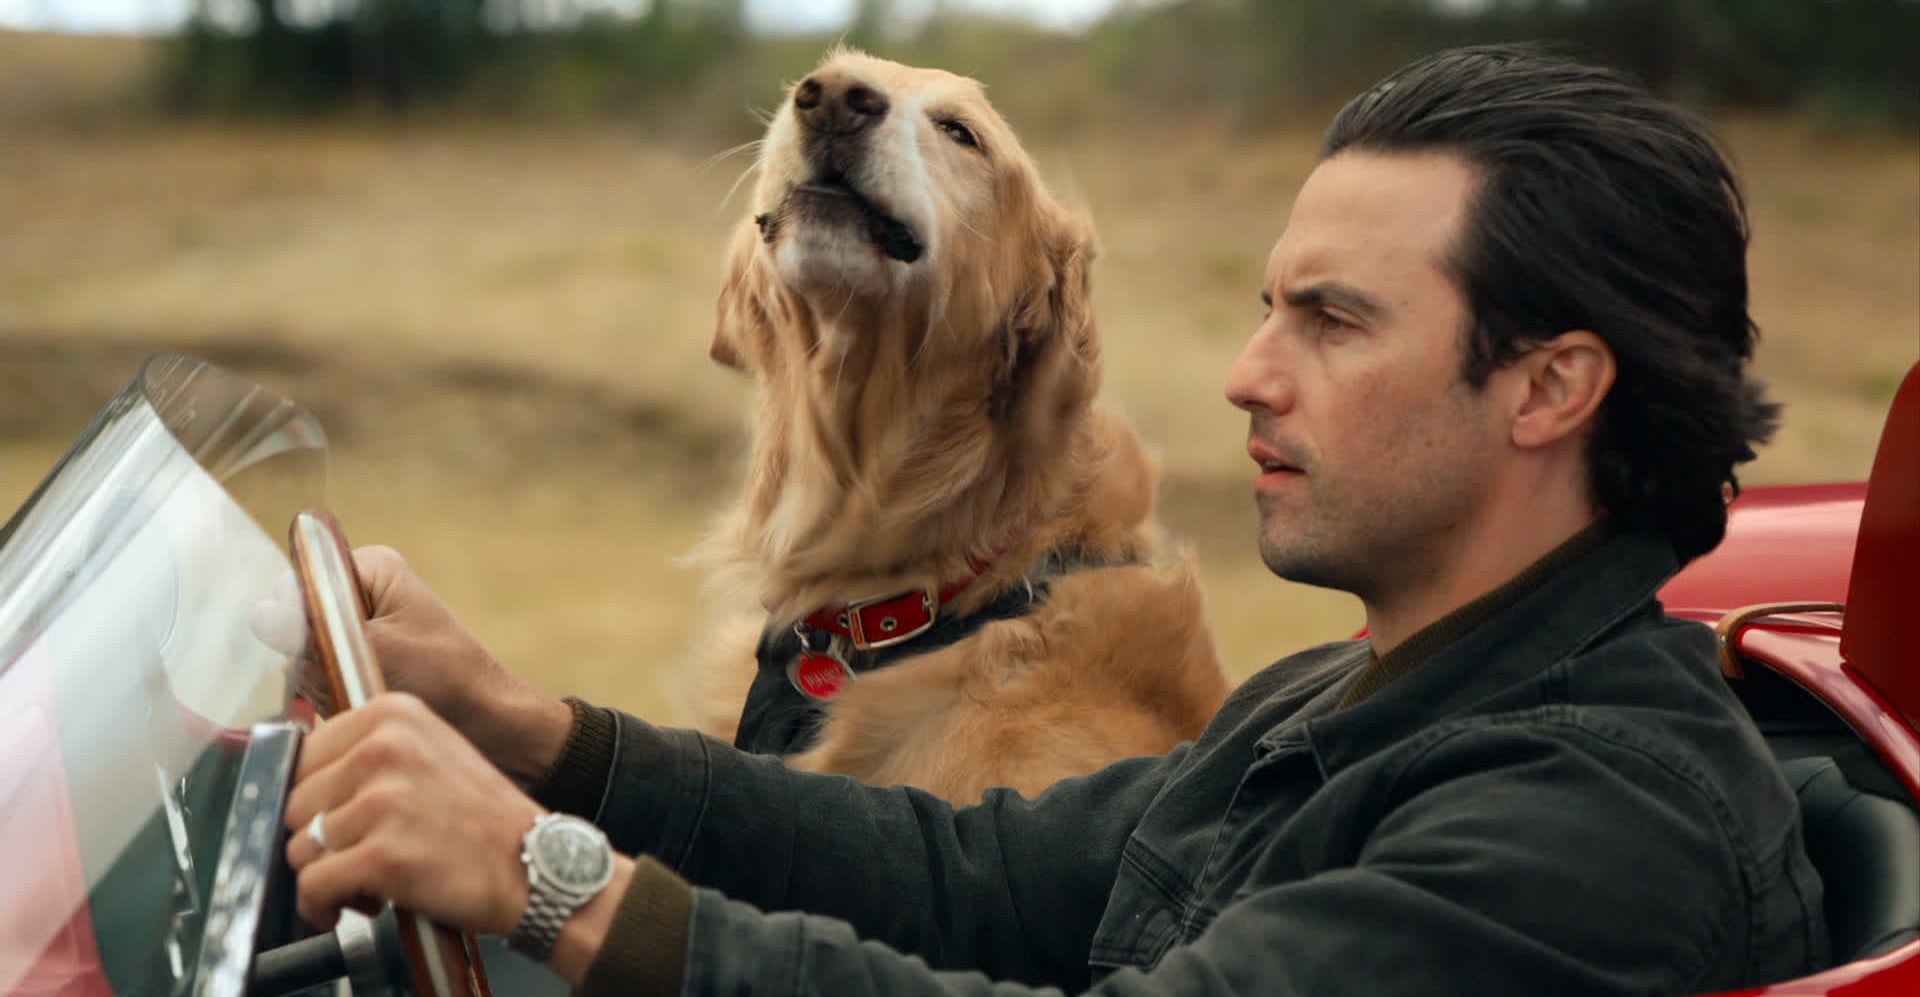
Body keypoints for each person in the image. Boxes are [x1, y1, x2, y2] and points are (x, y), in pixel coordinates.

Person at [278, 46, 1828, 995]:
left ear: (1549, 386)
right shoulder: (1347, 692)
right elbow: (973, 878)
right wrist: (527, 730)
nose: (1244, 376)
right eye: (1264, 310)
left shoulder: (1589, 829)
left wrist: (556, 880)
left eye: (1334, 323)